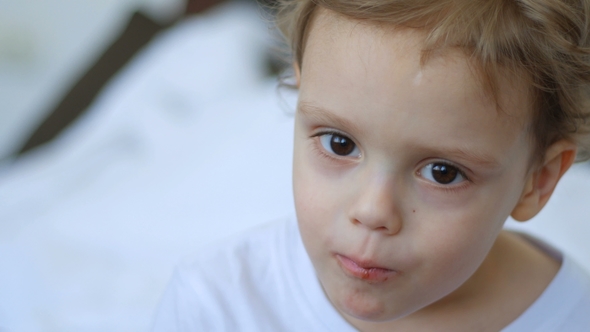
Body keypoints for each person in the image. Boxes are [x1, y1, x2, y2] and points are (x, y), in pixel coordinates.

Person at [152, 0, 590, 330]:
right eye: (340, 144)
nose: (373, 211)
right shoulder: (217, 307)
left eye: (443, 172)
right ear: (301, 90)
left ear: (540, 180)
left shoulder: (573, 315)